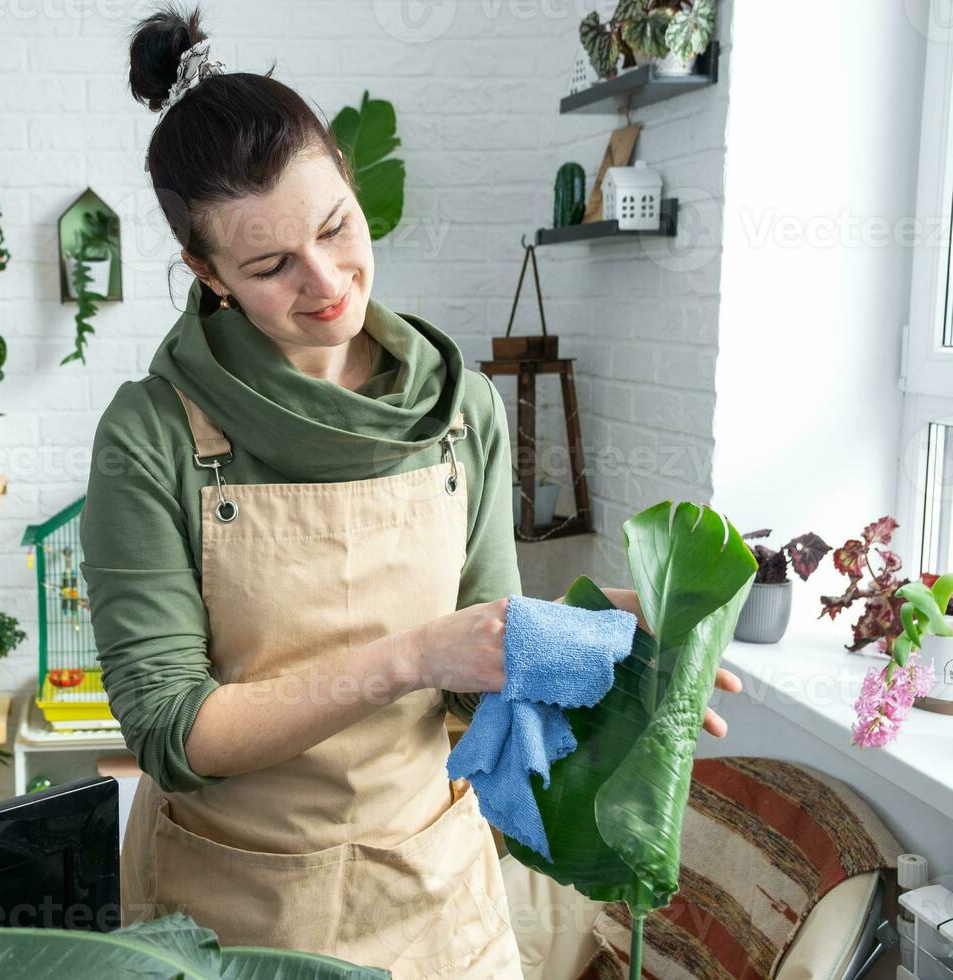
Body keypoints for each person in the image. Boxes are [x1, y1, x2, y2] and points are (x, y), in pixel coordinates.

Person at [79, 6, 741, 976]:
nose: (327, 282)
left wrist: (601, 639)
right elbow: (176, 730)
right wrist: (411, 654)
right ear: (205, 271)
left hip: (437, 897)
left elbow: (483, 647)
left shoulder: (460, 407)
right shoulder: (152, 436)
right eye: (270, 266)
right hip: (241, 910)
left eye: (334, 226)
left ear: (348, 179)